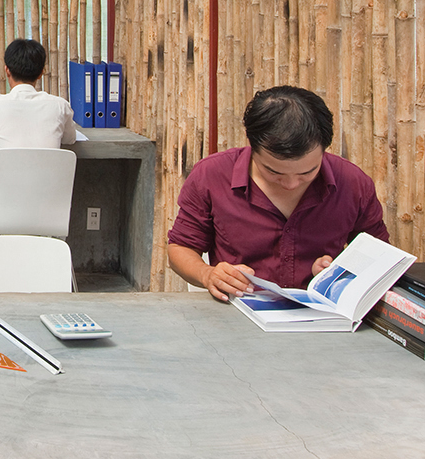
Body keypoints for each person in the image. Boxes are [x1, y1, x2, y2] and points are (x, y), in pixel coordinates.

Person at [166, 85, 388, 302]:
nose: (291, 184)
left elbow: (380, 257)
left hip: (323, 318)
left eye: (307, 172)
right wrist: (208, 274)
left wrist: (338, 273)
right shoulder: (212, 175)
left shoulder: (352, 183)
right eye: (274, 172)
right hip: (238, 313)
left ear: (324, 148)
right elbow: (180, 248)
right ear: (252, 145)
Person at [0, 38, 78, 237]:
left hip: (4, 213)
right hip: (49, 213)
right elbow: (70, 138)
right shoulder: (60, 106)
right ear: (42, 72)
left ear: (7, 70)